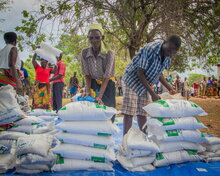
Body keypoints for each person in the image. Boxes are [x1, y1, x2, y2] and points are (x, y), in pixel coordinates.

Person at [121, 35, 181, 135]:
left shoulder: (168, 56)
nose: (170, 53)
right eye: (169, 50)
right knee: (129, 111)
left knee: (142, 112)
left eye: (173, 52)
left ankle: (144, 138)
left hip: (145, 84)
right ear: (165, 41)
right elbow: (140, 73)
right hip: (132, 80)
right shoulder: (150, 49)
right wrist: (152, 93)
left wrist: (170, 88)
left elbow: (159, 74)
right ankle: (125, 140)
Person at [81, 24, 116, 122]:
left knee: (108, 111)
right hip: (93, 83)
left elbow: (107, 76)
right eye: (91, 38)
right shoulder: (84, 53)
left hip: (107, 84)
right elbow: (87, 74)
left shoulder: (109, 53)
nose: (94, 41)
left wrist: (99, 96)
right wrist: (87, 91)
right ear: (88, 38)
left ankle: (108, 131)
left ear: (102, 38)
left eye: (97, 37)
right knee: (93, 111)